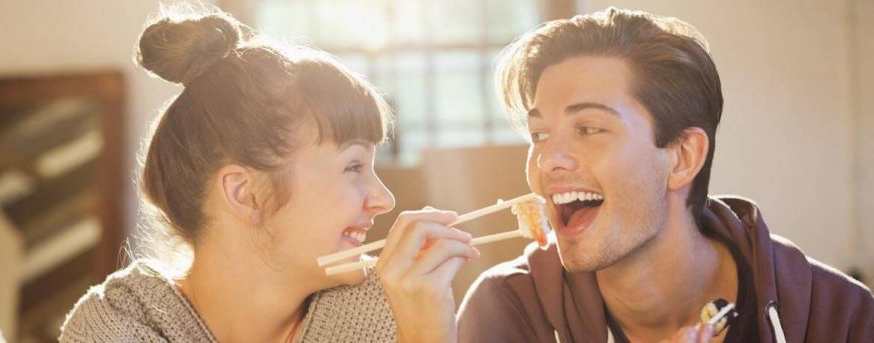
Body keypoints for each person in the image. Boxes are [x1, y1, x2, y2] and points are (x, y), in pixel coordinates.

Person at [59, 6, 476, 342]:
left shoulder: (387, 308)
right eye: (352, 166)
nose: (384, 199)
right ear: (246, 193)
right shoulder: (116, 328)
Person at [456, 7, 874, 342]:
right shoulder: (507, 311)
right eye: (540, 134)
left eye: (588, 129)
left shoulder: (840, 317)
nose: (547, 160)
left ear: (682, 157)